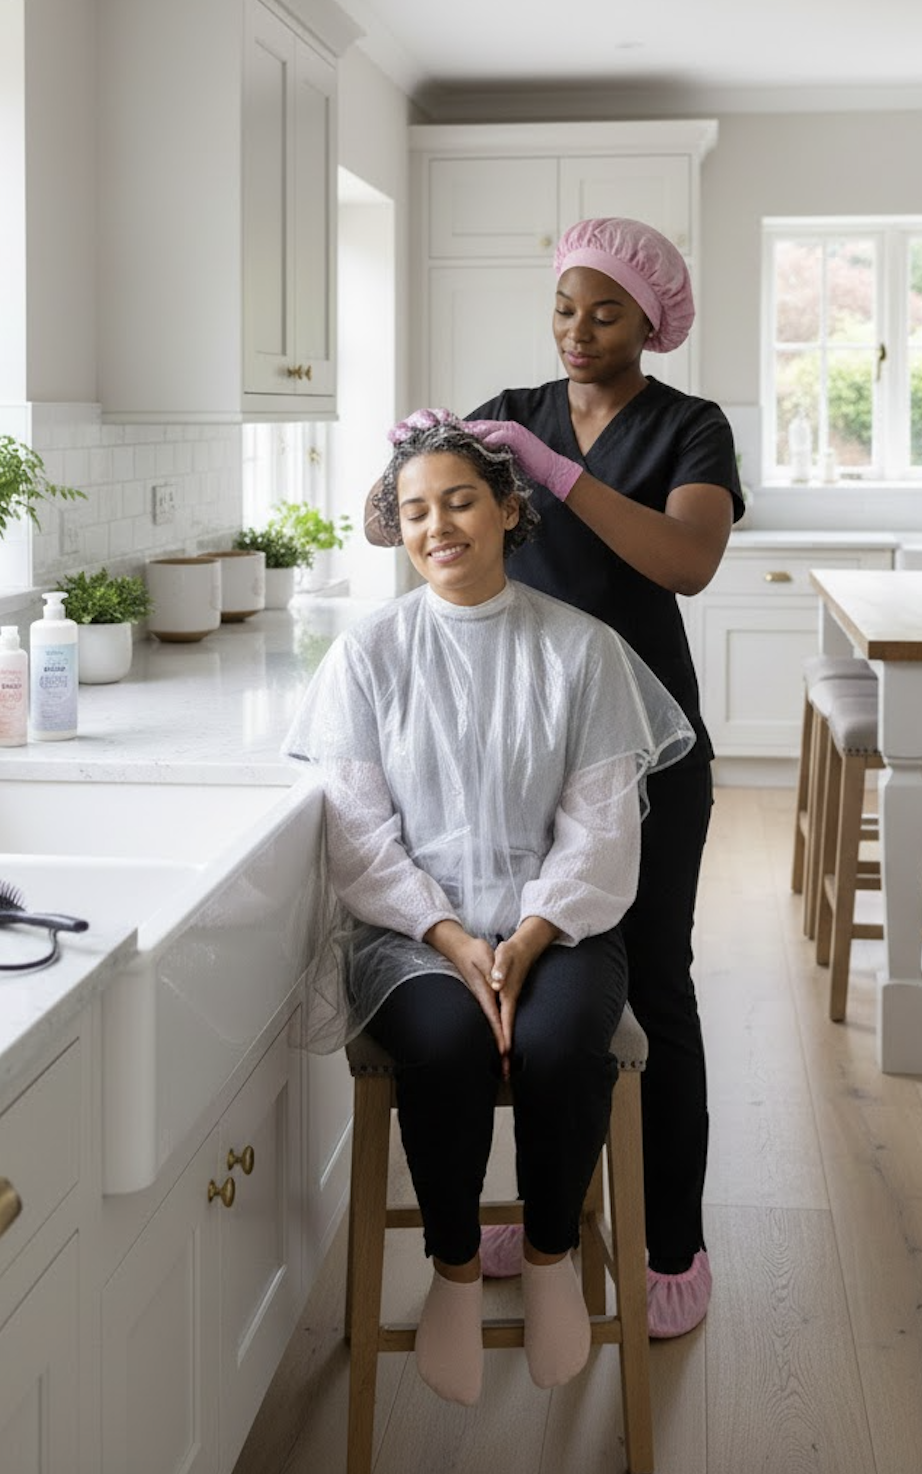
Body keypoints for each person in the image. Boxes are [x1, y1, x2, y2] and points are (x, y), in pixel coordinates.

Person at [367, 216, 743, 1339]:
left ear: (652, 321)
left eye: (606, 312)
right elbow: (403, 525)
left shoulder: (688, 427)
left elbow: (685, 560)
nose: (577, 331)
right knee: (528, 984)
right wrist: (402, 469)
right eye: (565, 308)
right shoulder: (510, 409)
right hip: (508, 752)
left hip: (644, 753)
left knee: (647, 987)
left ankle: (668, 1238)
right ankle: (537, 1214)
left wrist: (551, 472)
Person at [285, 420, 693, 1405]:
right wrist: (456, 940)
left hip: (559, 926)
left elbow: (599, 835)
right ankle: (455, 1269)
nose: (439, 525)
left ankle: (550, 1254)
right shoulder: (366, 656)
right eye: (415, 510)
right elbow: (360, 837)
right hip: (411, 930)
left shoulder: (580, 652)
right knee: (446, 1048)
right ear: (399, 529)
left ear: (508, 510)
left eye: (460, 501)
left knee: (558, 1047)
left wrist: (526, 938)